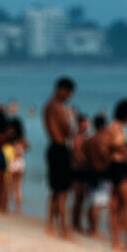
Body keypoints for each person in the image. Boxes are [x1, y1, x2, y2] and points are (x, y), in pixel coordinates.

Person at [105, 99, 127, 252]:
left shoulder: (114, 127)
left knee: (115, 205)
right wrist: (126, 151)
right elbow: (114, 145)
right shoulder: (116, 127)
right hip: (119, 167)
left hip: (115, 167)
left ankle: (116, 242)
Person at [42, 76, 75, 238]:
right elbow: (68, 129)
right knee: (62, 192)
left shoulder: (48, 105)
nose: (69, 97)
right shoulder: (57, 106)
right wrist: (71, 117)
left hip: (53, 147)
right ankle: (63, 228)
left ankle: (50, 225)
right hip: (60, 147)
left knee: (55, 190)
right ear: (62, 90)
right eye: (69, 93)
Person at [83, 114, 110, 236]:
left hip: (89, 171)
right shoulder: (102, 140)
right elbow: (104, 156)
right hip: (100, 172)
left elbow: (84, 156)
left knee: (92, 201)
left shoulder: (88, 140)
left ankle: (91, 227)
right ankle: (94, 229)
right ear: (103, 126)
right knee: (97, 204)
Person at [70, 113, 91, 231]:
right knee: (78, 198)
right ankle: (75, 223)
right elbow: (77, 154)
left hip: (80, 170)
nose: (87, 125)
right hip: (78, 170)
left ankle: (76, 223)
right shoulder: (78, 137)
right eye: (85, 123)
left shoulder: (83, 137)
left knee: (80, 199)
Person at [7, 117, 27, 214]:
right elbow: (27, 147)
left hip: (13, 163)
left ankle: (7, 206)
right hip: (21, 163)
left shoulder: (11, 139)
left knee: (10, 186)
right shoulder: (22, 139)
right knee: (18, 187)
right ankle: (18, 208)